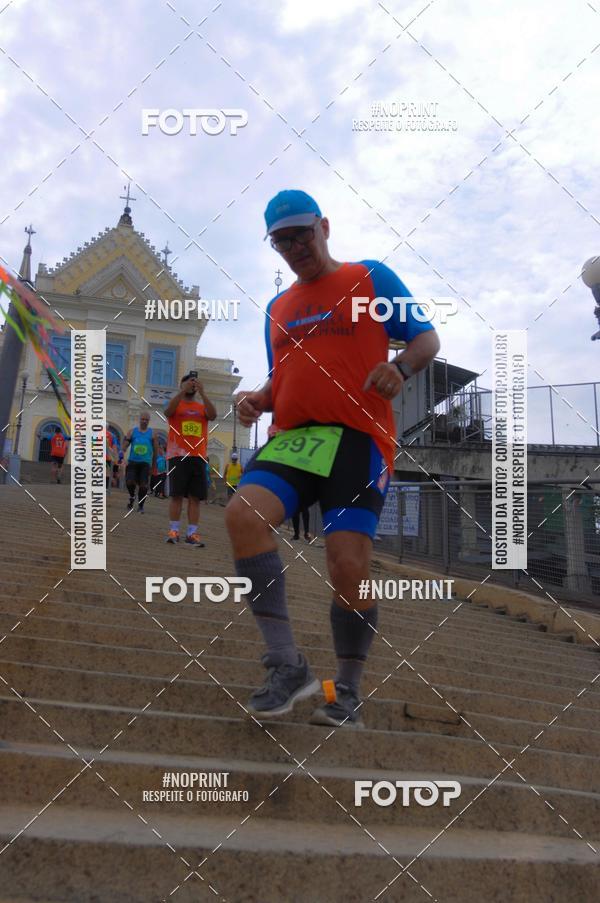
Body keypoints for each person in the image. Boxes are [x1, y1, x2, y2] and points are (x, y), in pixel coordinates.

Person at [225, 189, 440, 727]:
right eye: (281, 240)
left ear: (324, 226)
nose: (294, 246)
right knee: (241, 514)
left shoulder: (369, 279)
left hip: (357, 439)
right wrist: (257, 398)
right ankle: (286, 664)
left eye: (301, 233)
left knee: (348, 565)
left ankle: (345, 690)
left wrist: (402, 369)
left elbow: (426, 339)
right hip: (296, 439)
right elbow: (283, 377)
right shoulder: (278, 308)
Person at [164, 373, 217, 546]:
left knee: (195, 498)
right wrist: (182, 392)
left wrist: (203, 393)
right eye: (188, 382)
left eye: (194, 382)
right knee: (177, 495)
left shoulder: (201, 407)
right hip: (178, 455)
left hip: (198, 456)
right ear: (182, 385)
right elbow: (168, 412)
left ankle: (192, 534)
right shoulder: (176, 404)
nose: (192, 384)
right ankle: (174, 531)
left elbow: (213, 415)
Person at [122, 413, 158, 513]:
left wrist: (154, 466)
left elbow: (156, 451)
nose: (144, 421)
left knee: (143, 486)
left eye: (146, 419)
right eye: (143, 419)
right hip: (133, 461)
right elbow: (125, 444)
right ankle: (132, 496)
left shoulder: (152, 433)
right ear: (139, 419)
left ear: (149, 421)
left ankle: (141, 505)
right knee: (129, 482)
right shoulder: (132, 432)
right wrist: (123, 448)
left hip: (145, 463)